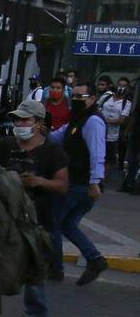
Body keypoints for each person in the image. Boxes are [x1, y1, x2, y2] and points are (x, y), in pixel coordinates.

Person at [0, 100, 68, 317]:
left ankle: (36, 313)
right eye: (17, 119)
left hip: (37, 220)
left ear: (38, 123)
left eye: (26, 119)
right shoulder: (4, 146)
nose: (20, 123)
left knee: (35, 269)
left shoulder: (53, 152)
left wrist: (39, 181)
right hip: (4, 217)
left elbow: (62, 185)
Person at [49, 82, 109, 286]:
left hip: (80, 184)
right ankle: (95, 259)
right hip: (79, 183)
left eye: (80, 97)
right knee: (67, 224)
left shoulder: (93, 121)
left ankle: (55, 269)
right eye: (73, 95)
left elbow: (98, 153)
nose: (75, 100)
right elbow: (57, 137)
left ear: (92, 99)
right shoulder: (78, 120)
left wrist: (94, 181)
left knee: (53, 223)